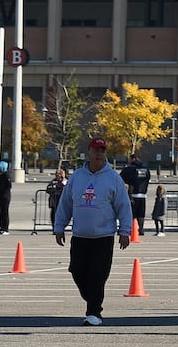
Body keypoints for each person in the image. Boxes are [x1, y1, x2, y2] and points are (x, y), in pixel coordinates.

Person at [53, 138, 132, 326]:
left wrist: (125, 231)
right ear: (89, 152)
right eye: (96, 150)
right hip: (80, 235)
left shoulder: (113, 178)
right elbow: (66, 203)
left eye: (103, 150)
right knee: (77, 271)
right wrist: (59, 226)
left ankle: (94, 312)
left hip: (103, 237)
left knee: (98, 275)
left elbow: (124, 206)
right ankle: (92, 298)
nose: (99, 154)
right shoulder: (77, 177)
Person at [119, 154, 151, 238]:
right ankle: (141, 229)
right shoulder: (146, 169)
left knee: (131, 214)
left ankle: (130, 229)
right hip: (143, 194)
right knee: (141, 214)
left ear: (133, 159)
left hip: (132, 194)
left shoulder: (129, 169)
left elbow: (120, 179)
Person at [0, 161, 13, 233]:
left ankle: (5, 228)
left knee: (5, 213)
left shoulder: (6, 175)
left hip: (5, 197)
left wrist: (3, 194)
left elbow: (9, 186)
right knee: (1, 213)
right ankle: (1, 228)